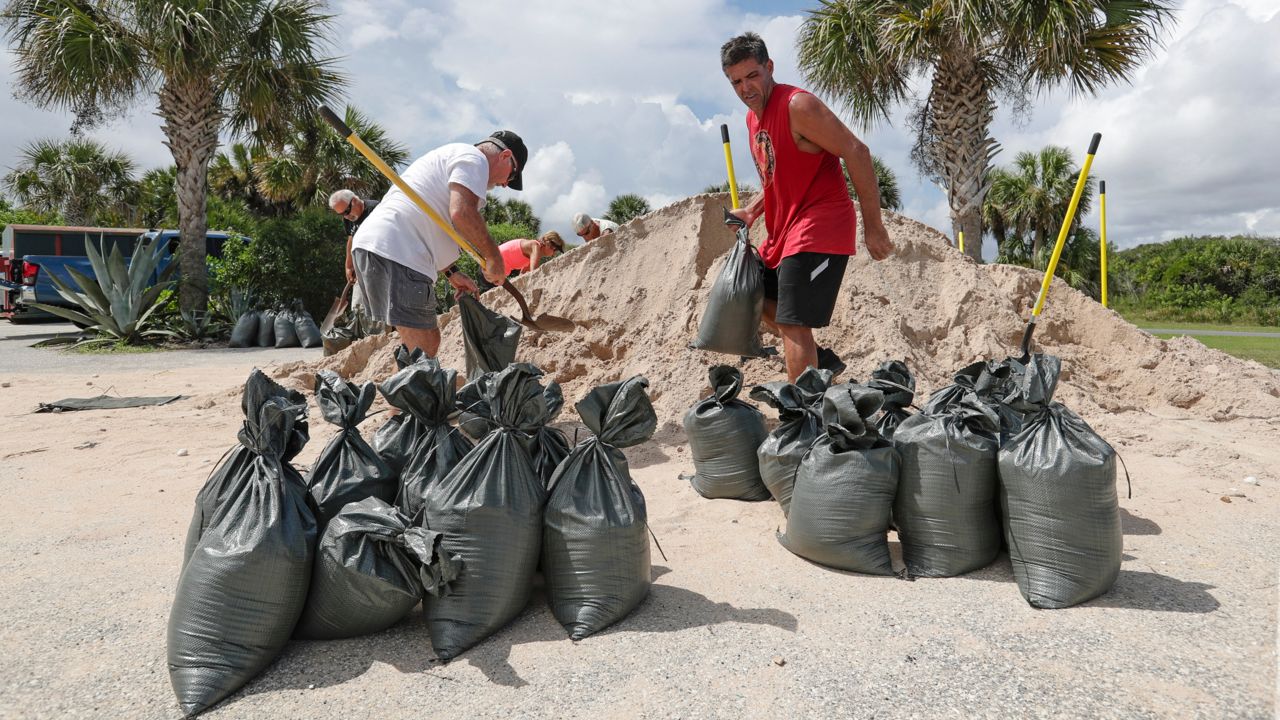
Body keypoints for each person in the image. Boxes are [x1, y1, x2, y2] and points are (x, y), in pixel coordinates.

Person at [721, 32, 893, 382]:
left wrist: (873, 226)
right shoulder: (753, 120)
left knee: (791, 321)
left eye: (752, 76)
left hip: (820, 226)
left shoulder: (796, 106)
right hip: (784, 231)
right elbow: (776, 176)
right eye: (736, 81)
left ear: (769, 67)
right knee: (750, 295)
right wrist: (752, 211)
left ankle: (804, 419)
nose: (745, 88)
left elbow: (857, 152)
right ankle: (819, 365)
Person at [351, 130, 528, 356]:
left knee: (419, 345)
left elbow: (434, 221)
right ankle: (417, 390)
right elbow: (462, 213)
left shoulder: (451, 157)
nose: (505, 184)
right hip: (397, 249)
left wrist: (451, 272)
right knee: (425, 344)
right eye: (511, 176)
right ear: (505, 156)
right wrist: (494, 258)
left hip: (377, 246)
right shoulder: (475, 159)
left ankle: (410, 389)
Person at [328, 190, 379, 288]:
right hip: (363, 271)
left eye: (347, 211)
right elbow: (351, 238)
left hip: (380, 267)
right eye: (342, 214)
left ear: (354, 200)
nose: (346, 217)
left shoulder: (375, 209)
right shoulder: (348, 219)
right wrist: (349, 265)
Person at [498, 230, 566, 274]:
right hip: (491, 262)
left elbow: (523, 274)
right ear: (549, 244)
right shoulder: (535, 246)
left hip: (495, 268)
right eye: (555, 250)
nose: (554, 254)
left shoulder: (532, 252)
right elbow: (534, 273)